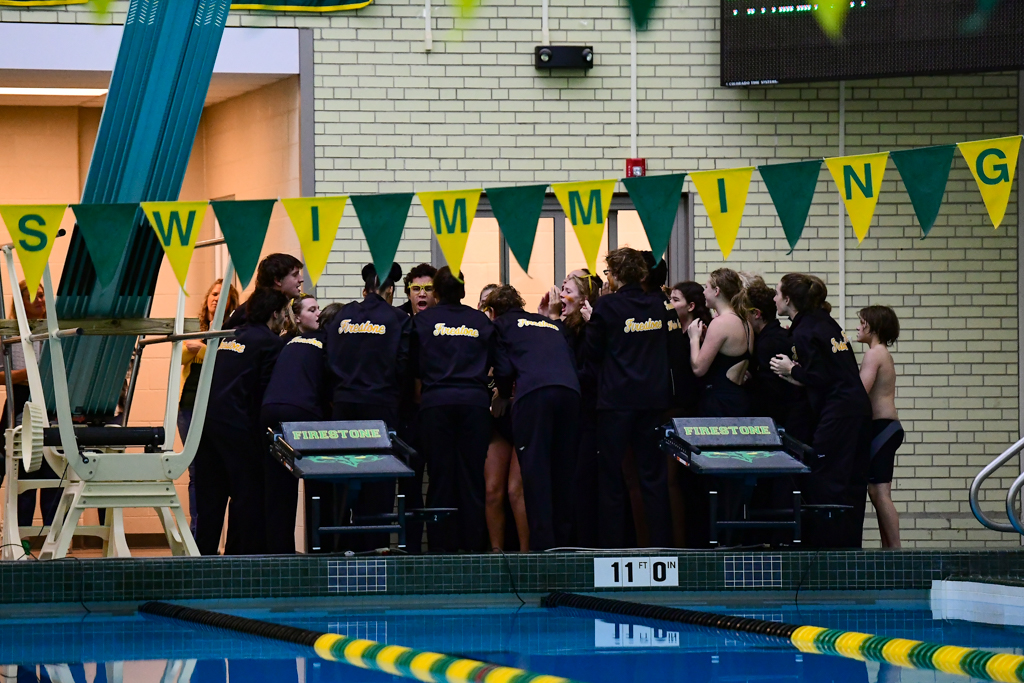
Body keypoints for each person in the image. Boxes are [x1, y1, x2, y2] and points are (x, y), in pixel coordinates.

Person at [770, 274, 873, 549]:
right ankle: (849, 547)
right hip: (858, 409)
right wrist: (798, 374)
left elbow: (820, 376)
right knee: (852, 481)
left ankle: (827, 549)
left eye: (777, 294)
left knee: (826, 477)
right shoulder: (827, 323)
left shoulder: (805, 331)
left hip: (839, 411)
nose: (774, 299)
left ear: (788, 300)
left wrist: (791, 369)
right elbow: (831, 372)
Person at [585, 247, 674, 548]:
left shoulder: (607, 306)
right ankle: (661, 545)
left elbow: (593, 352)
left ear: (616, 274)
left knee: (611, 477)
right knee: (653, 477)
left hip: (617, 402)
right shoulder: (659, 305)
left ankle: (612, 546)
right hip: (652, 401)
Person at [195, 287, 289, 555]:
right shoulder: (271, 343)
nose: (286, 319)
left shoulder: (229, 337)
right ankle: (240, 559)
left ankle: (202, 559)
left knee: (210, 499)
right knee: (247, 495)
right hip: (236, 425)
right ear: (274, 314)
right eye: (284, 313)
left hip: (207, 423)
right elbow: (263, 392)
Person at [324, 263, 410, 550]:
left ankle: (338, 547)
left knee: (342, 477)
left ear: (365, 289)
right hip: (379, 406)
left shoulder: (342, 316)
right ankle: (374, 547)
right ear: (390, 291)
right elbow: (403, 366)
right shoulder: (398, 319)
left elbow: (328, 359)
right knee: (378, 480)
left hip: (343, 406)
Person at [488, 284, 581, 550]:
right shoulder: (547, 323)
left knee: (536, 477)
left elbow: (503, 368)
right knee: (563, 474)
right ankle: (565, 547)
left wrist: (502, 394)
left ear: (493, 312)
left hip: (536, 396)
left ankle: (543, 552)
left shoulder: (501, 325)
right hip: (570, 393)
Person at [410, 267, 494, 552]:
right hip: (474, 404)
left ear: (436, 292)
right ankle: (473, 547)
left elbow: (411, 366)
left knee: (440, 477)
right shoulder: (480, 321)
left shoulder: (423, 321)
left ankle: (440, 549)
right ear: (463, 291)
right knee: (472, 478)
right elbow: (496, 361)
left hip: (436, 404)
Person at [261, 293, 328, 554]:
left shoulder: (287, 343)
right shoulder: (320, 341)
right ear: (297, 317)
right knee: (303, 487)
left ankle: (283, 553)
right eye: (312, 310)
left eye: (319, 309)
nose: (318, 313)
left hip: (273, 410)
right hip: (297, 411)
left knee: (282, 489)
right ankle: (305, 552)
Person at [179, 279, 239, 535]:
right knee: (195, 470)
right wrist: (201, 350)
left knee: (214, 470)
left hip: (215, 407)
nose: (216, 298)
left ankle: (211, 532)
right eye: (213, 293)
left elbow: (223, 361)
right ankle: (196, 531)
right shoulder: (197, 328)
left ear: (231, 302)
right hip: (188, 405)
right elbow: (181, 357)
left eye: (222, 295)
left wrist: (201, 349)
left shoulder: (233, 332)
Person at [0, 281, 60, 532]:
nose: (39, 300)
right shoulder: (8, 334)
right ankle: (21, 538)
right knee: (24, 473)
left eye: (42, 295)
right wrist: (29, 373)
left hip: (52, 404)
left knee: (54, 474)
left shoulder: (55, 333)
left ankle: (52, 538)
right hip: (21, 403)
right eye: (32, 295)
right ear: (20, 302)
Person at [478, 284, 528, 552]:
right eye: (484, 305)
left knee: (516, 490)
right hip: (496, 425)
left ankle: (526, 554)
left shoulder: (516, 336)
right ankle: (497, 553)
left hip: (519, 419)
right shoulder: (479, 340)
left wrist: (506, 394)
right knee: (493, 490)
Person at [395, 263, 437, 552]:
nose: (422, 294)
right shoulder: (397, 319)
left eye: (428, 289)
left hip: (436, 411)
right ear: (408, 292)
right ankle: (409, 548)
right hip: (406, 413)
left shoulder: (444, 322)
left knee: (439, 480)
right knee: (409, 482)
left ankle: (437, 546)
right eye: (416, 289)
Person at [857, 305, 904, 549]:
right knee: (877, 492)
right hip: (885, 428)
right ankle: (889, 550)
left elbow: (859, 392)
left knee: (880, 493)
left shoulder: (874, 354)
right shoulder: (881, 353)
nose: (858, 327)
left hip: (883, 427)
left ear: (872, 326)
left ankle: (895, 550)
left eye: (861, 322)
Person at [687, 268, 753, 418]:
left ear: (716, 291)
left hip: (720, 403)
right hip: (739, 399)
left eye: (706, 287)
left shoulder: (720, 323)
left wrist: (694, 338)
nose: (704, 292)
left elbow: (698, 369)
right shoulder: (746, 323)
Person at [746, 278, 801, 430]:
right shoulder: (778, 335)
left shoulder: (769, 344)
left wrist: (750, 381)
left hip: (778, 421)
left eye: (743, 313)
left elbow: (772, 391)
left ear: (756, 314)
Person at [225, 253, 303, 328]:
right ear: (278, 280)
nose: (301, 279)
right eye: (295, 275)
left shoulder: (257, 309)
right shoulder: (252, 313)